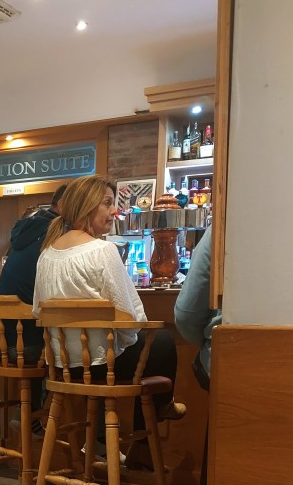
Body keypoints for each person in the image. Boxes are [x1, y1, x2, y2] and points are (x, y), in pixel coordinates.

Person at [32, 174, 184, 424]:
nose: (114, 210)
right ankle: (154, 420)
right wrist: (124, 338)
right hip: (101, 366)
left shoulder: (46, 254)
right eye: (107, 203)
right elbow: (131, 319)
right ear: (86, 205)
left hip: (62, 366)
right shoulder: (103, 250)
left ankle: (103, 434)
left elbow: (38, 311)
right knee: (162, 340)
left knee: (137, 344)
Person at [0, 183, 68, 356]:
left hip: (0, 339)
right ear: (63, 205)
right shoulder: (56, 233)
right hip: (28, 343)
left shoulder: (31, 228)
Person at [173, 226, 221, 390]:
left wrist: (204, 341)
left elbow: (186, 315)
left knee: (162, 342)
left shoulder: (221, 226)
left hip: (225, 359)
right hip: (291, 362)